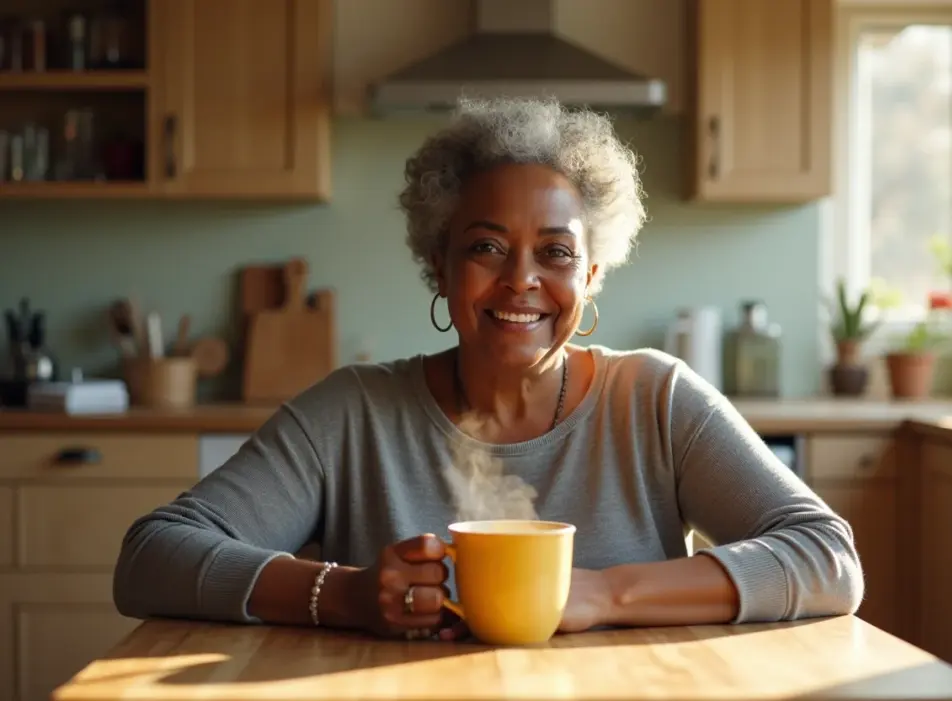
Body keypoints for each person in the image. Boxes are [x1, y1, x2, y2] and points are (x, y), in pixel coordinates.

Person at [113, 97, 863, 642]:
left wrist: (598, 593)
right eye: (485, 247)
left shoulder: (656, 400)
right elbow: (150, 558)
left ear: (593, 274)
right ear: (438, 264)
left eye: (557, 252)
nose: (521, 280)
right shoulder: (352, 413)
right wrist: (341, 594)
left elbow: (829, 559)